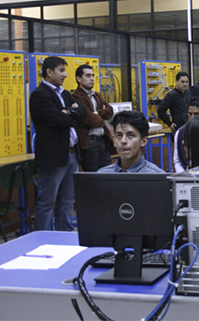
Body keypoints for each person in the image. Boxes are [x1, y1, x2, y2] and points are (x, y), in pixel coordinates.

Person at [30, 56, 88, 231]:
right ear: (49, 72)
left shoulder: (64, 93)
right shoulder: (39, 95)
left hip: (71, 155)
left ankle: (64, 235)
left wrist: (67, 112)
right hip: (53, 157)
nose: (65, 75)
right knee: (47, 201)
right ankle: (43, 239)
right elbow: (57, 120)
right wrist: (71, 115)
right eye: (61, 70)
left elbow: (83, 112)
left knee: (68, 201)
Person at [72, 64, 114, 172]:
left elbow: (110, 112)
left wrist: (97, 112)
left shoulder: (97, 95)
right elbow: (89, 118)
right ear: (79, 78)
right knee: (93, 177)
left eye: (93, 76)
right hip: (89, 142)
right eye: (88, 75)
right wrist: (99, 115)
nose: (92, 79)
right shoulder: (75, 96)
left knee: (108, 173)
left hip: (103, 139)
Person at [98, 111, 164, 173]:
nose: (123, 141)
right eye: (119, 135)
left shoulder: (156, 177)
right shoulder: (102, 175)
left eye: (131, 135)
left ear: (143, 141)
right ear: (114, 141)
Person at [173, 96, 199, 173]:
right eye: (190, 114)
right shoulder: (180, 133)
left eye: (196, 114)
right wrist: (184, 175)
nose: (192, 117)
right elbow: (177, 160)